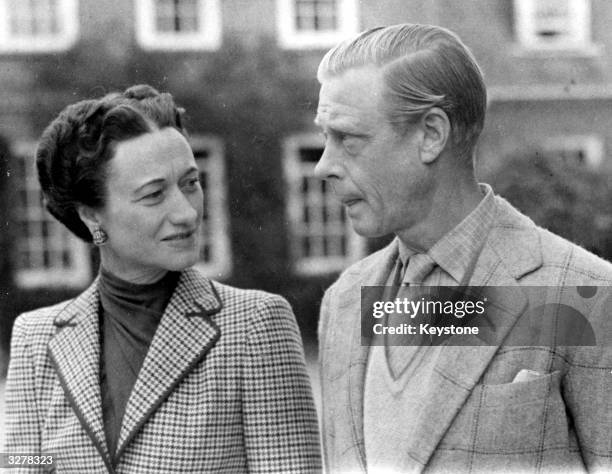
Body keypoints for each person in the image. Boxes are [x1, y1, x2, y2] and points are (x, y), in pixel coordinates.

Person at [314, 24, 612, 473]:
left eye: (349, 139)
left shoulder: (589, 295)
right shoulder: (343, 302)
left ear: (431, 134)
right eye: (324, 138)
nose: (324, 166)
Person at [4, 85, 322, 473]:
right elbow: (22, 465)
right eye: (154, 194)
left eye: (191, 183)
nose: (186, 213)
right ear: (92, 216)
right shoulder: (35, 339)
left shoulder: (256, 326)